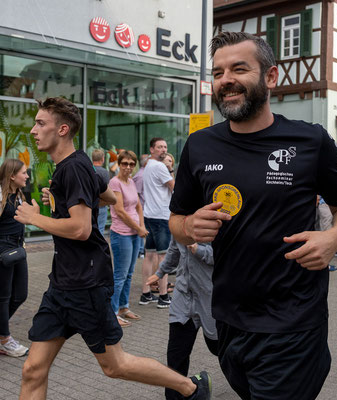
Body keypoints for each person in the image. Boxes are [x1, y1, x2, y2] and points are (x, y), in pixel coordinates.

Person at [168, 32, 337, 400]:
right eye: (219, 71)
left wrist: (334, 239)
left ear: (270, 77)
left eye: (239, 68)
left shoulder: (310, 141)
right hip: (227, 320)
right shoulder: (199, 145)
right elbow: (176, 222)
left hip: (293, 323)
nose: (226, 79)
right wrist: (190, 227)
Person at [16, 97, 211, 400]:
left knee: (114, 365)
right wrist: (63, 199)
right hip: (61, 285)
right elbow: (109, 198)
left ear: (63, 129)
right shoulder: (74, 168)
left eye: (41, 123)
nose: (33, 130)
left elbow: (80, 230)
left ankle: (191, 389)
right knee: (33, 369)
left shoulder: (74, 168)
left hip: (86, 285)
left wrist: (36, 218)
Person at [146, 238, 218, 400]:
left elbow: (226, 256)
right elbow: (173, 251)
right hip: (183, 298)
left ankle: (254, 384)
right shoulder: (180, 222)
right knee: (176, 355)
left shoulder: (216, 221)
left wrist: (197, 249)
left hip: (210, 298)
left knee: (220, 349)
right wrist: (159, 273)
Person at [108, 150, 148, 327]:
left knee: (130, 273)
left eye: (132, 164)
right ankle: (112, 312)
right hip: (121, 233)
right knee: (120, 275)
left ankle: (124, 307)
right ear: (119, 164)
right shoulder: (114, 183)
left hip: (135, 233)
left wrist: (142, 226)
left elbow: (138, 206)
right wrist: (139, 228)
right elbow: (120, 211)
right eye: (125, 163)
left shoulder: (131, 181)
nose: (128, 167)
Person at [140, 137, 174, 308]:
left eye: (165, 146)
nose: (163, 149)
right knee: (163, 256)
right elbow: (175, 187)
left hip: (149, 215)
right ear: (152, 149)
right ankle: (163, 296)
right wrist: (171, 169)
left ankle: (146, 294)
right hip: (161, 216)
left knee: (149, 255)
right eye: (159, 147)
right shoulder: (160, 167)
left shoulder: (147, 165)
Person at [0, 159, 29, 357]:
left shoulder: (18, 194)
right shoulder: (1, 194)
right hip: (3, 250)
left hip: (18, 247)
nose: (27, 176)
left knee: (20, 294)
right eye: (24, 173)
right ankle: (4, 339)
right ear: (12, 176)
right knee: (3, 297)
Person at [132, 154, 149, 258]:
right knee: (140, 229)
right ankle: (140, 251)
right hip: (141, 207)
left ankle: (141, 250)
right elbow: (136, 194)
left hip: (143, 207)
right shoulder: (140, 176)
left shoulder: (144, 174)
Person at [92, 148, 110, 234]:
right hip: (101, 205)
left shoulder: (88, 170)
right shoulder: (104, 172)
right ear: (103, 159)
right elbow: (106, 190)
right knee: (100, 230)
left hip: (89, 204)